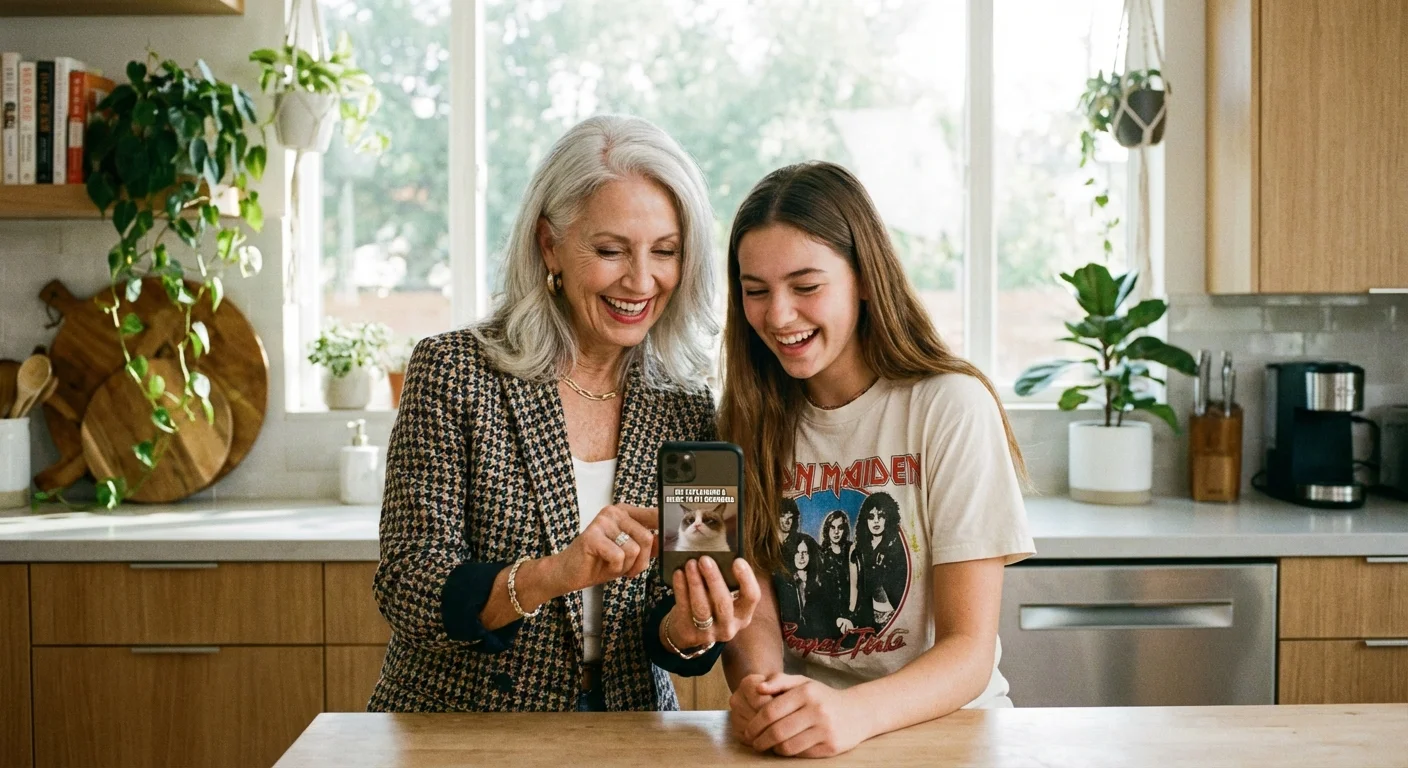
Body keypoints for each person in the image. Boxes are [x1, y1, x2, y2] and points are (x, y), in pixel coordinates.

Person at [370, 115, 760, 714]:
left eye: (665, 252)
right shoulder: (453, 371)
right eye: (610, 251)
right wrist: (556, 572)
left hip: (627, 731)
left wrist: (690, 626)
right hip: (465, 730)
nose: (640, 279)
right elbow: (410, 587)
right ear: (549, 244)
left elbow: (674, 624)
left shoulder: (683, 402)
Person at [717, 161, 1035, 756]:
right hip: (811, 737)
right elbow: (754, 607)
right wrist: (765, 692)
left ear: (865, 278)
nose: (778, 315)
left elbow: (968, 649)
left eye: (806, 286)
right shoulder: (744, 421)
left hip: (949, 734)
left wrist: (849, 714)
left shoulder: (950, 407)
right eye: (755, 291)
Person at [814, 509, 853, 640]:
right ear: (827, 529)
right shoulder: (821, 555)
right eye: (832, 527)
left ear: (845, 530)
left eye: (840, 528)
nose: (836, 532)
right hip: (830, 617)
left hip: (852, 615)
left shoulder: (852, 551)